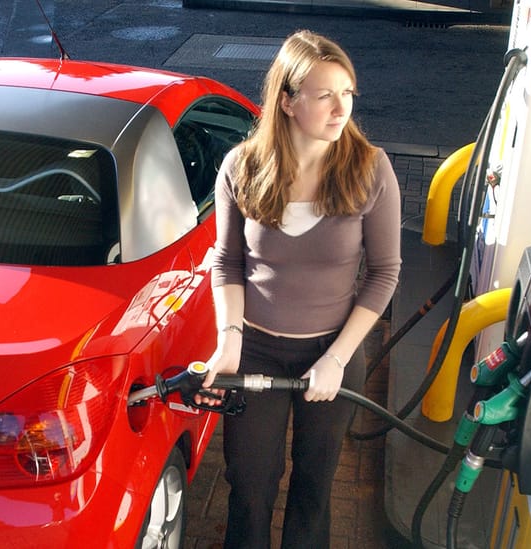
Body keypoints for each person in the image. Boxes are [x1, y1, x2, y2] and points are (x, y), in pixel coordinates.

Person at [196, 29, 402, 548]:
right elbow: (227, 261)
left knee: (314, 483)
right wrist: (229, 338)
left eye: (348, 94)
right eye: (325, 95)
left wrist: (336, 358)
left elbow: (384, 273)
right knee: (249, 483)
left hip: (333, 350)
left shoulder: (370, 170)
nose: (341, 109)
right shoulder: (241, 168)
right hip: (257, 349)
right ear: (287, 101)